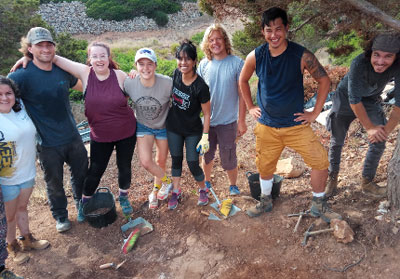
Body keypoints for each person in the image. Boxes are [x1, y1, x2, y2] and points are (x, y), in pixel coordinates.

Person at [239, 7, 341, 222]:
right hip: (267, 125)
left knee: (320, 161)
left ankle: (318, 203)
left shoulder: (301, 55)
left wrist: (314, 112)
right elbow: (242, 80)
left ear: (286, 28)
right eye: (269, 30)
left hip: (295, 125)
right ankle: (266, 199)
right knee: (264, 166)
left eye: (278, 29)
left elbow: (324, 80)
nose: (274, 35)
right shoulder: (256, 56)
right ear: (263, 31)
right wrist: (250, 107)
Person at [8, 27, 88, 233]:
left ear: (54, 48)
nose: (45, 49)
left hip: (72, 135)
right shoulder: (22, 76)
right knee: (54, 182)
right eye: (40, 45)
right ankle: (61, 216)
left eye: (49, 45)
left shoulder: (61, 70)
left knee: (81, 173)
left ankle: (82, 205)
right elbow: (5, 96)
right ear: (29, 49)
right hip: (47, 142)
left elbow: (80, 85)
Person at [47, 42, 137, 218]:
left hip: (126, 131)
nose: (99, 60)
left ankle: (124, 197)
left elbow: (138, 90)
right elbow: (55, 58)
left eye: (102, 56)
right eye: (94, 56)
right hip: (100, 135)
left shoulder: (119, 75)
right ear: (90, 59)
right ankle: (85, 202)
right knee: (96, 170)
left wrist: (135, 74)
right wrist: (26, 58)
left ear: (109, 58)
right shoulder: (85, 73)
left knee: (124, 167)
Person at [325, 34, 400, 198]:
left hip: (370, 99)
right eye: (377, 55)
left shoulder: (398, 66)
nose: (380, 61)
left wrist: (384, 131)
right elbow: (354, 100)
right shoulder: (359, 62)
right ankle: (332, 177)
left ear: (396, 57)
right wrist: (370, 128)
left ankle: (367, 182)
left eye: (388, 56)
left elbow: (399, 105)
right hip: (345, 98)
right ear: (370, 53)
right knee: (337, 141)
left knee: (379, 140)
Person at [198, 24, 247, 196]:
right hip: (207, 123)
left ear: (225, 40)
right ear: (207, 44)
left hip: (228, 122)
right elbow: (197, 93)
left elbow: (243, 95)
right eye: (211, 40)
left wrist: (241, 121)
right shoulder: (203, 65)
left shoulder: (237, 63)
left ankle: (233, 185)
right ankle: (207, 182)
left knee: (228, 157)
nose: (215, 43)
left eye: (218, 38)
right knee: (207, 155)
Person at [124, 48, 173, 209]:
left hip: (164, 126)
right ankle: (167, 182)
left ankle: (155, 191)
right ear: (136, 66)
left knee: (160, 161)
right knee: (146, 162)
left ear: (156, 65)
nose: (145, 68)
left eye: (149, 64)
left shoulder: (167, 83)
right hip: (144, 126)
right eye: (141, 64)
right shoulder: (129, 83)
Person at [166, 40, 211, 210]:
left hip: (193, 130)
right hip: (174, 127)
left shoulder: (201, 87)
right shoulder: (175, 75)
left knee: (193, 163)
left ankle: (203, 189)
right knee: (176, 160)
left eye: (187, 59)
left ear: (194, 61)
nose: (183, 63)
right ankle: (175, 192)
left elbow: (207, 114)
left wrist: (205, 136)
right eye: (180, 58)